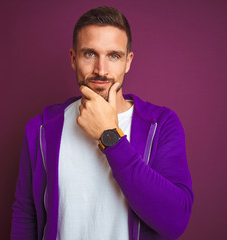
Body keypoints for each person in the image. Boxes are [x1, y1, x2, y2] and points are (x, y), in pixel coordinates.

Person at [11, 6, 193, 240]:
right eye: (89, 54)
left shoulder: (161, 125)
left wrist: (110, 136)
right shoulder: (41, 129)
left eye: (113, 56)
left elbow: (175, 221)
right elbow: (26, 215)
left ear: (128, 62)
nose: (101, 70)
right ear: (73, 58)